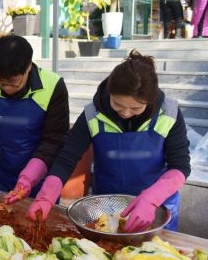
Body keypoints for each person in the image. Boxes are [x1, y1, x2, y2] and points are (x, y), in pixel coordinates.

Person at [27, 50, 191, 232]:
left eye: (136, 108)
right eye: (118, 105)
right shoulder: (93, 114)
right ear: (110, 93)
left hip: (157, 206)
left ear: (149, 101)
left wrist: (151, 199)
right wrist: (46, 196)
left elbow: (180, 166)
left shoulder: (169, 112)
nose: (126, 113)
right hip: (108, 207)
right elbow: (67, 158)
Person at [0, 35, 69, 210]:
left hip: (39, 177)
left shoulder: (53, 85)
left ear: (28, 67)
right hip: (0, 171)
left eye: (13, 82)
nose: (6, 88)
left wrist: (28, 178)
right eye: (0, 81)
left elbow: (54, 140)